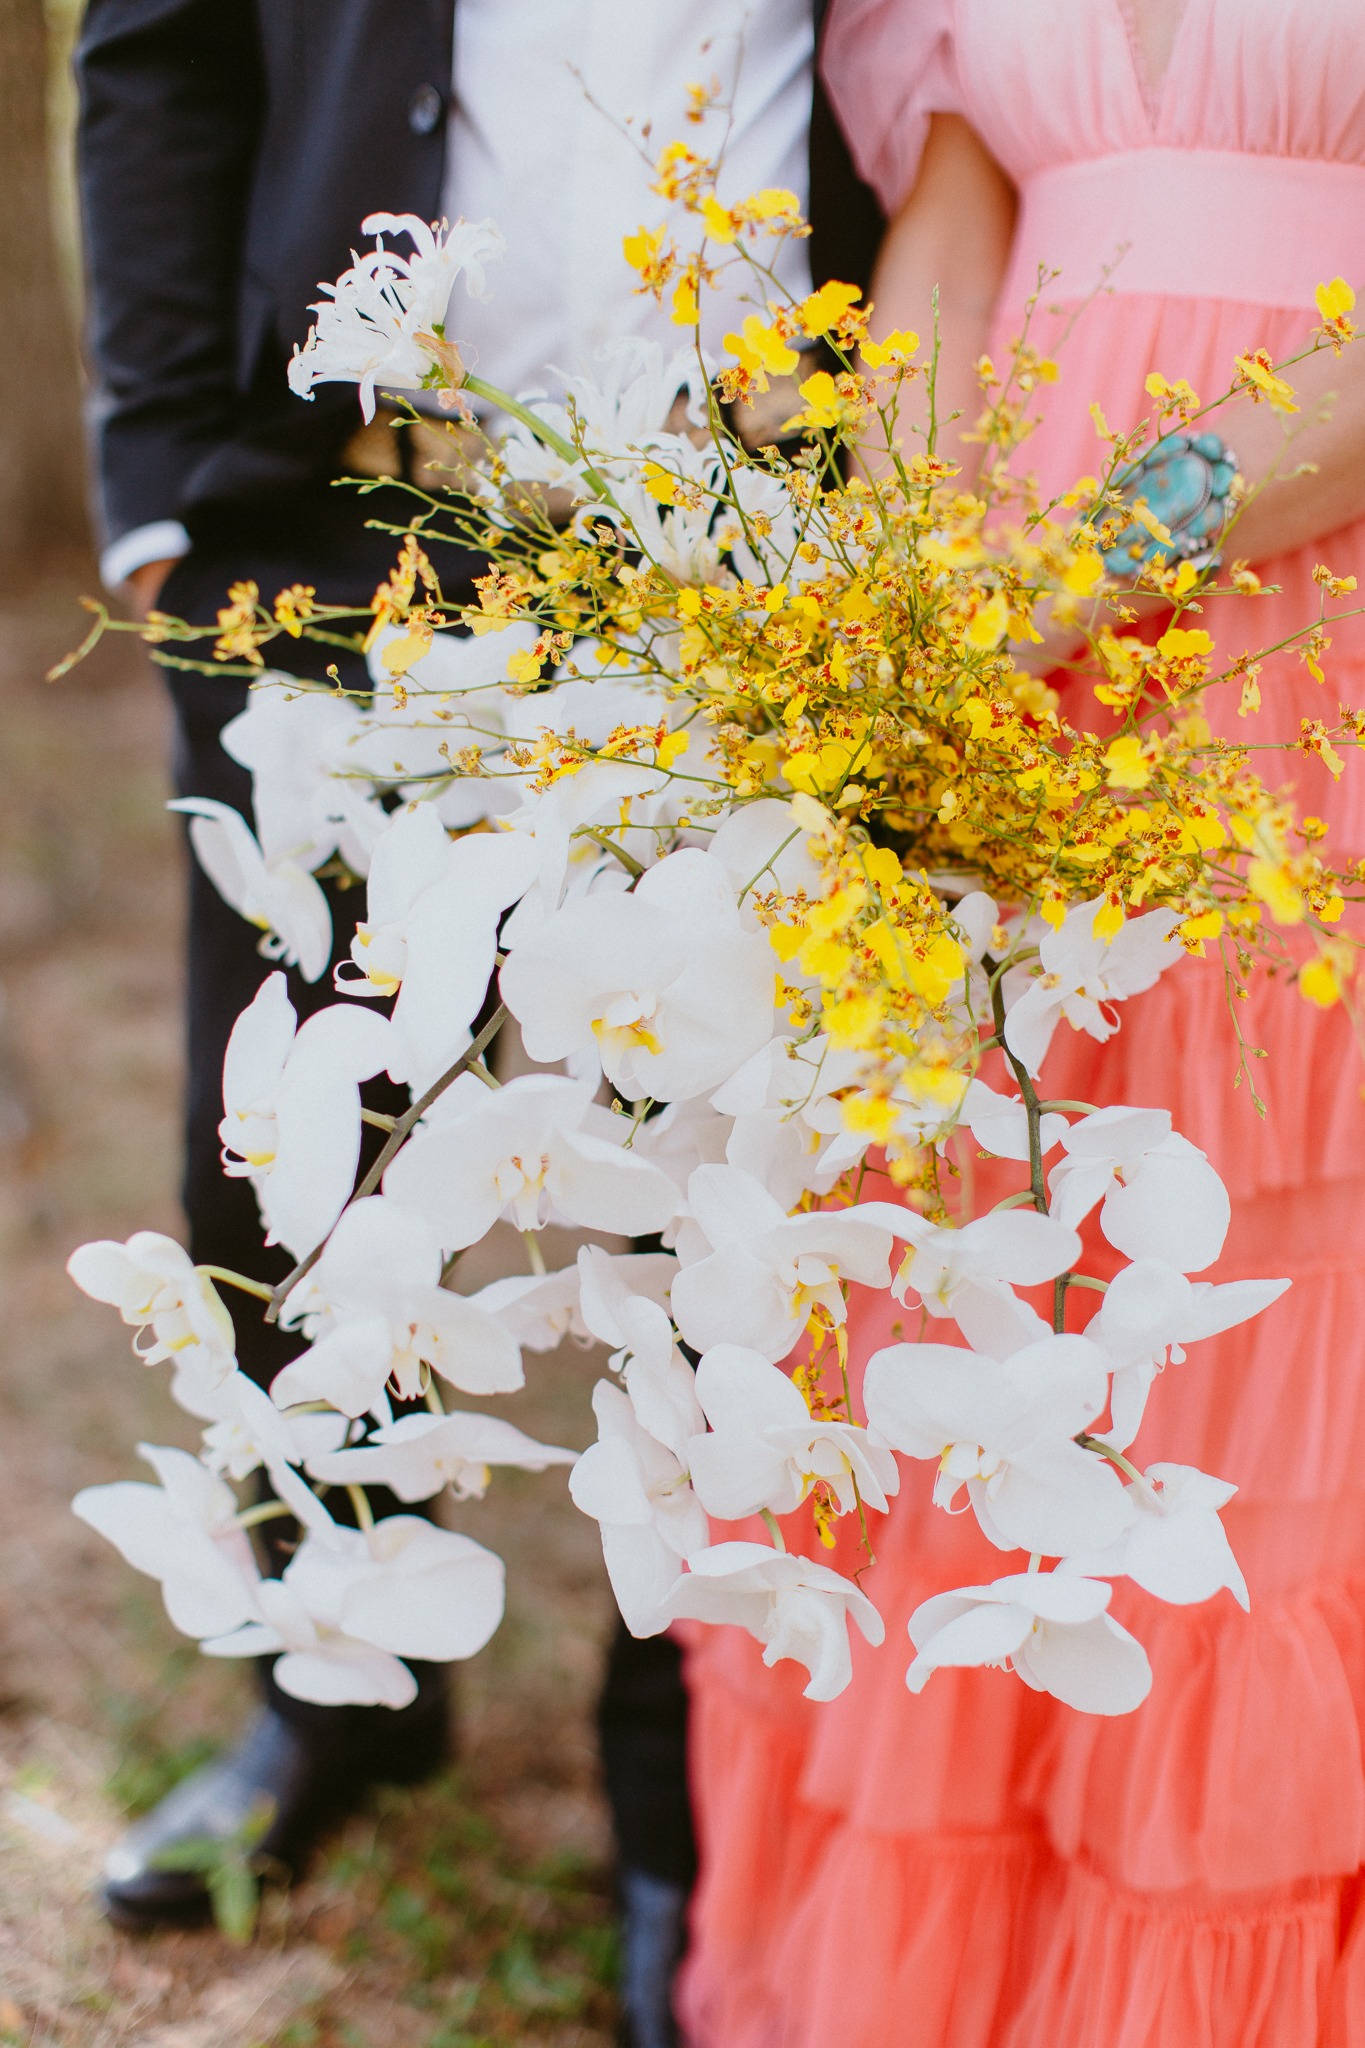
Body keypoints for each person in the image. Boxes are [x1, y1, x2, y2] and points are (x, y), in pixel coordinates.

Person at [73, 0, 881, 2025]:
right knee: (292, 1160)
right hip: (347, 523)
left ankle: (680, 1797)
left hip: (750, 547)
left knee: (710, 1186)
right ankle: (330, 1684)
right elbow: (159, 47)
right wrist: (166, 474)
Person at [677, 2, 1365, 2043]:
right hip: (1003, 672)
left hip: (1296, 637)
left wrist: (1068, 571)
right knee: (998, 1280)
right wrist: (891, 625)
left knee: (1252, 1284)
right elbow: (948, 246)